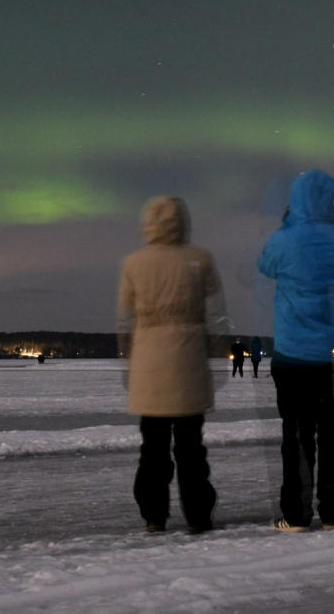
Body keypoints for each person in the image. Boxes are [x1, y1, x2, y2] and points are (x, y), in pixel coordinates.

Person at [259, 169, 334, 532]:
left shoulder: (284, 240)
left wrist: (289, 225)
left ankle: (296, 513)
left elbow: (265, 265)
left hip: (293, 353)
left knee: (296, 433)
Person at [117, 195, 227, 534]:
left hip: (149, 370)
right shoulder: (199, 259)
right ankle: (198, 516)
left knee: (152, 450)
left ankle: (154, 515)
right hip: (189, 365)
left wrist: (129, 366)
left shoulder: (134, 264)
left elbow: (125, 321)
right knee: (191, 449)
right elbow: (217, 316)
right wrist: (218, 358)